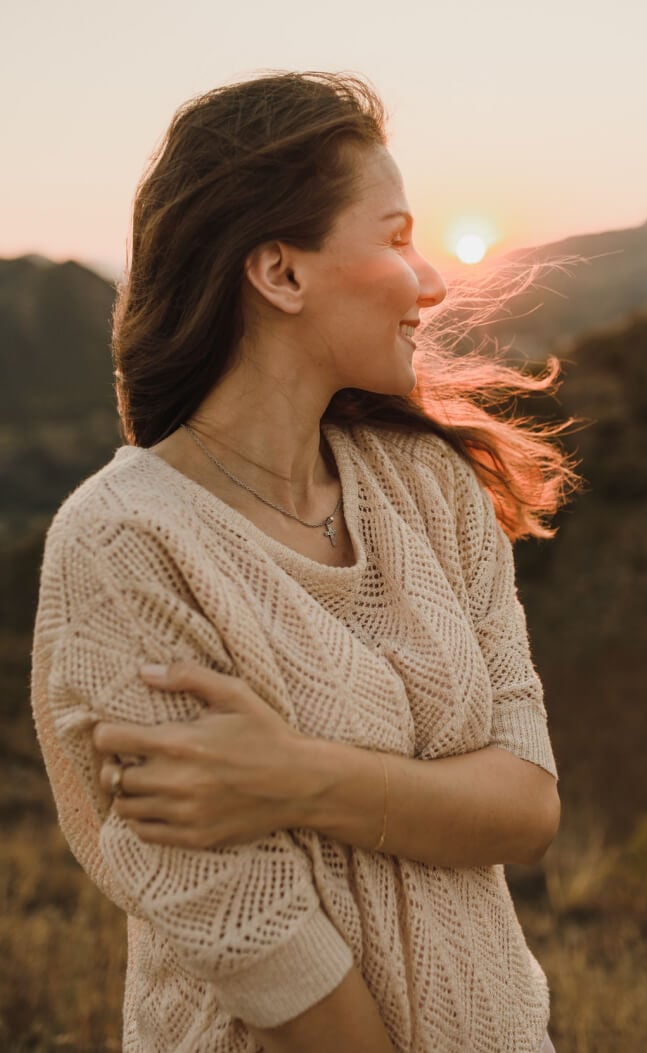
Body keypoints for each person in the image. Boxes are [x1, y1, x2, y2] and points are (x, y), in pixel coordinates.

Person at [31, 71, 575, 1052]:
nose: (434, 281)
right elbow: (261, 944)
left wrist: (295, 777)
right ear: (281, 274)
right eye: (398, 237)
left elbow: (529, 808)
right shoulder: (125, 544)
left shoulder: (429, 486)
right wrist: (426, 796)